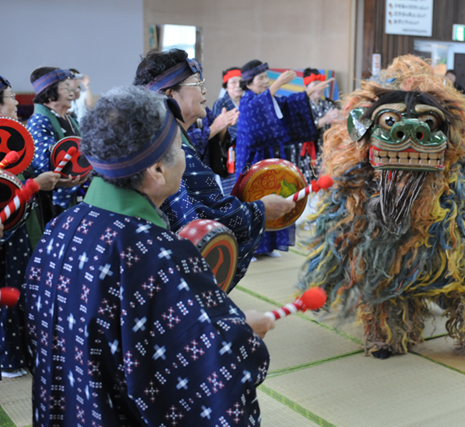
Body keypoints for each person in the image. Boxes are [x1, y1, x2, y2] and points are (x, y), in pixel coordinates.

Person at [23, 85, 274, 425]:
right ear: (157, 170)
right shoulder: (158, 252)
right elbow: (206, 371)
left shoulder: (60, 227)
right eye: (180, 148)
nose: (186, 158)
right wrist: (243, 332)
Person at [134, 49, 294, 289]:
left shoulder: (171, 139)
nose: (204, 90)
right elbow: (203, 220)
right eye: (197, 83)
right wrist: (260, 210)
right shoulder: (168, 150)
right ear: (169, 94)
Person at [235, 60, 331, 256]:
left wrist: (306, 94)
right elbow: (257, 110)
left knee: (276, 193)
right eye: (260, 78)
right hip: (253, 159)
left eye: (265, 78)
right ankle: (252, 248)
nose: (265, 82)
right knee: (255, 197)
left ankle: (270, 245)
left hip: (272, 155)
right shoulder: (247, 101)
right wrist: (277, 83)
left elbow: (288, 106)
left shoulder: (270, 98)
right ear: (249, 83)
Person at [0, 75, 60, 378]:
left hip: (19, 232)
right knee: (9, 294)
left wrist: (47, 180)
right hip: (8, 238)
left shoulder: (13, 138)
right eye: (10, 95)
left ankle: (18, 356)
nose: (15, 102)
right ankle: (9, 360)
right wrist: (36, 185)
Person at [25, 67, 88, 235]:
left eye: (71, 87)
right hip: (55, 203)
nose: (72, 91)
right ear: (50, 93)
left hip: (79, 193)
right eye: (66, 87)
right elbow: (44, 163)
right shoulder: (39, 121)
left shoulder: (72, 119)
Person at [303, 68, 340, 177]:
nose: (319, 88)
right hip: (308, 151)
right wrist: (326, 118)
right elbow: (305, 128)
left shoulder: (327, 104)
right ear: (306, 87)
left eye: (321, 84)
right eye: (315, 85)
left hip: (326, 149)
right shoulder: (302, 105)